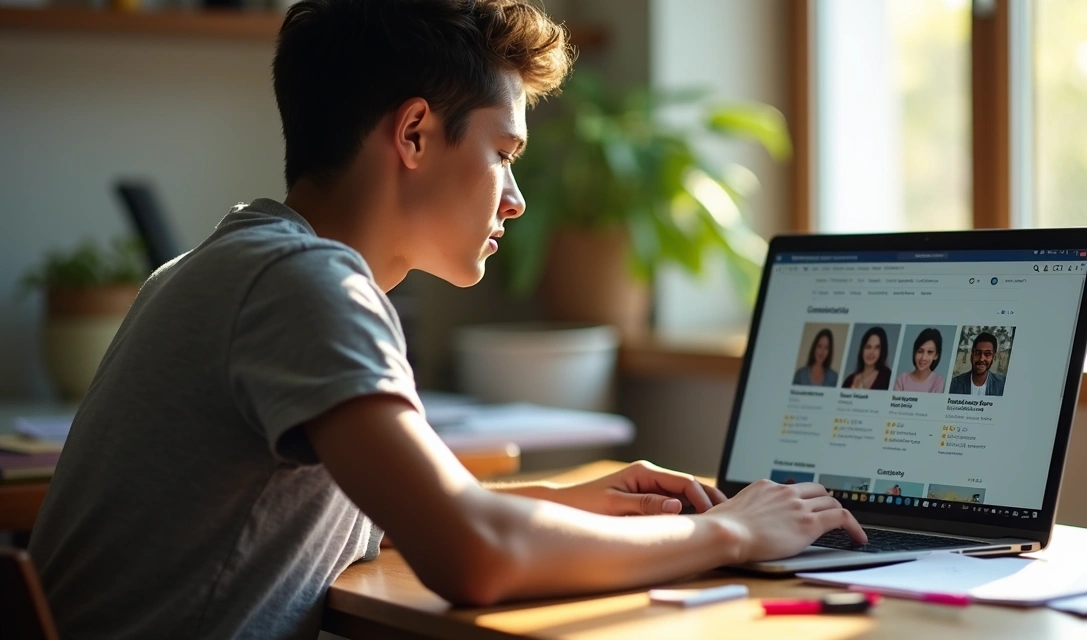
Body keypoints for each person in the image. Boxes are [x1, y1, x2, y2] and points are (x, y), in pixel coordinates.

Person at [27, 2, 866, 637]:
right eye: (503, 153)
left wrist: (568, 503)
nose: (516, 197)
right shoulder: (305, 283)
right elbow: (473, 555)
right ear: (415, 134)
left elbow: (398, 515)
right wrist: (730, 532)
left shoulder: (223, 262)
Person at [949, 331, 1007, 396]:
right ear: (972, 355)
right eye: (977, 353)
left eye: (987, 354)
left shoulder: (1003, 384)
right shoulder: (954, 384)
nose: (981, 359)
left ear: (993, 357)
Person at [893, 328, 945, 393]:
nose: (923, 357)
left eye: (930, 352)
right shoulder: (902, 379)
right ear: (915, 352)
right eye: (920, 351)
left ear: (936, 355)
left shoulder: (938, 381)